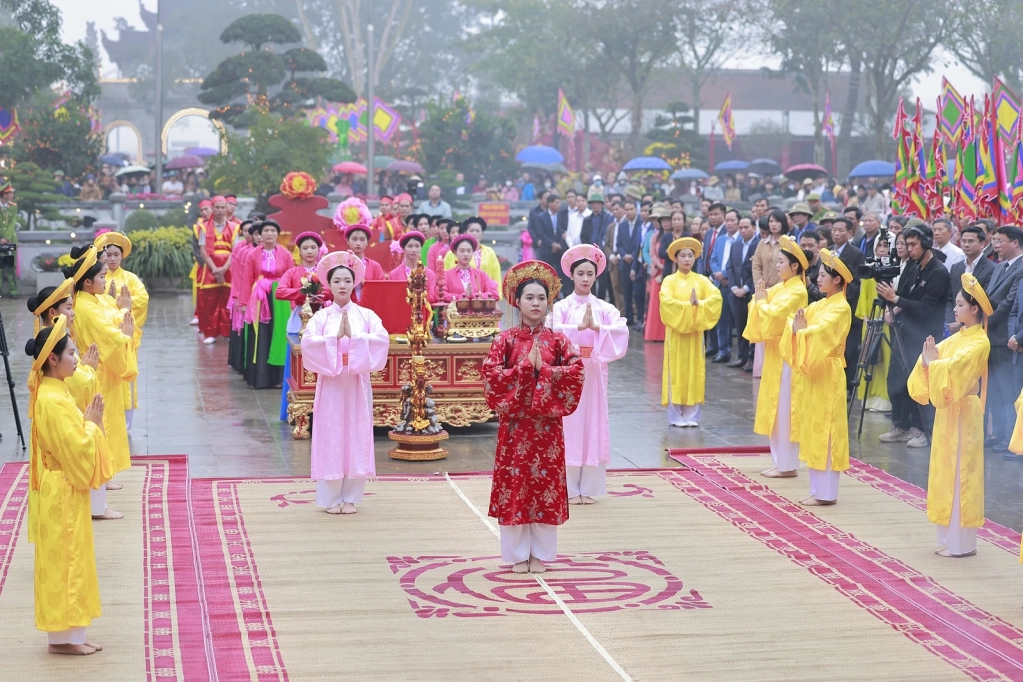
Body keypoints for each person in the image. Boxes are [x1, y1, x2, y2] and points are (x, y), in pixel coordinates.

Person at [483, 261, 584, 573]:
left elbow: (576, 373)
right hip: (515, 427)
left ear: (549, 301)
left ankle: (540, 554)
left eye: (541, 297)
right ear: (517, 301)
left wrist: (547, 371)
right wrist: (526, 369)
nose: (536, 303)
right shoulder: (504, 340)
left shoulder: (559, 341)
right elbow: (491, 376)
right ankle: (516, 555)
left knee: (544, 487)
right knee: (516, 485)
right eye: (530, 297)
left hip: (547, 430)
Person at [25, 317, 113, 655]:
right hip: (61, 488)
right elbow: (76, 448)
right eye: (71, 353)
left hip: (62, 487)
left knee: (70, 559)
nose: (77, 359)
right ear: (52, 359)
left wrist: (88, 423)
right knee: (67, 562)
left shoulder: (55, 392)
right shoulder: (53, 399)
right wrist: (91, 425)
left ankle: (71, 635)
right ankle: (63, 639)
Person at [908, 274, 991, 557]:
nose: (954, 309)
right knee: (946, 470)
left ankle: (962, 543)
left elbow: (953, 368)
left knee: (961, 473)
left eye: (959, 304)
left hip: (964, 412)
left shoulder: (979, 342)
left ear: (974, 308)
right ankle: (949, 538)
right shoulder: (959, 337)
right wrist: (929, 362)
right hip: (948, 413)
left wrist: (934, 364)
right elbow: (931, 359)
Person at [301, 252, 388, 515]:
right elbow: (307, 344)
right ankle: (330, 498)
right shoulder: (321, 317)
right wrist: (333, 339)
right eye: (337, 280)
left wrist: (356, 337)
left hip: (356, 381)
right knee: (331, 434)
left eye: (346, 280)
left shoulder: (367, 315)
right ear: (329, 284)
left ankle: (351, 497)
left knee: (356, 433)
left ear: (354, 284)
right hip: (332, 382)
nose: (342, 285)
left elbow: (382, 340)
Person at [552, 245, 629, 504]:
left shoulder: (604, 308)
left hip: (594, 372)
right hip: (569, 372)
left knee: (593, 424)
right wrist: (577, 327)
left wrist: (598, 328)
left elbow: (620, 330)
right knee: (570, 424)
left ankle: (589, 487)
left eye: (589, 274)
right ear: (571, 276)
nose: (585, 279)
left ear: (596, 277)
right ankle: (569, 487)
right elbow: (551, 331)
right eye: (580, 273)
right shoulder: (562, 306)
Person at [64, 246, 136, 512]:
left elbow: (110, 317)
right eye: (102, 277)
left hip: (103, 368)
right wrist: (125, 324)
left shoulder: (92, 300)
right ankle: (101, 478)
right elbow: (110, 335)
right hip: (99, 368)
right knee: (100, 423)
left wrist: (121, 311)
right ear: (87, 282)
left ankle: (107, 473)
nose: (106, 281)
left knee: (108, 422)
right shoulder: (86, 306)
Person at [780, 248, 852, 506]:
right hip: (815, 372)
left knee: (827, 430)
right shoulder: (821, 304)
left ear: (837, 280)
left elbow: (819, 331)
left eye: (823, 275)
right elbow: (793, 319)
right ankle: (817, 489)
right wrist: (798, 329)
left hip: (828, 371)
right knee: (814, 427)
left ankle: (826, 492)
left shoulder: (841, 308)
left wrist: (801, 331)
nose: (817, 278)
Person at [876, 224, 950, 449]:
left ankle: (922, 428)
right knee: (896, 380)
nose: (909, 249)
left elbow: (927, 308)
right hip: (904, 331)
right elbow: (904, 294)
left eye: (913, 244)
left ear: (926, 243)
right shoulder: (913, 266)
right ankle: (901, 425)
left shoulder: (938, 272)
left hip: (925, 336)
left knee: (921, 383)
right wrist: (894, 305)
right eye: (907, 245)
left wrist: (896, 301)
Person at [745, 236, 810, 477]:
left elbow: (773, 314)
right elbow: (760, 300)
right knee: (775, 406)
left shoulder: (797, 291)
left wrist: (761, 303)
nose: (776, 265)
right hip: (775, 353)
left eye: (781, 261)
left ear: (795, 266)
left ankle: (787, 463)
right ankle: (780, 460)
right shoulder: (782, 287)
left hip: (787, 356)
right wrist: (760, 302)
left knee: (785, 408)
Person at [659, 237, 723, 427]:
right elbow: (666, 302)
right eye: (683, 256)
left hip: (695, 336)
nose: (687, 259)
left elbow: (716, 298)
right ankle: (676, 415)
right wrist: (690, 307)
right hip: (676, 336)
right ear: (676, 259)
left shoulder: (701, 280)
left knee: (694, 372)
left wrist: (699, 304)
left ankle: (692, 415)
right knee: (675, 372)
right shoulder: (669, 281)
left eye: (690, 256)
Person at [96, 232, 148, 429]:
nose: (112, 259)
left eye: (116, 255)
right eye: (108, 255)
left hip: (124, 335)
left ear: (122, 256)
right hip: (104, 335)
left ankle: (125, 424)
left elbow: (143, 299)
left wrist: (121, 302)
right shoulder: (97, 276)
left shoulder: (130, 278)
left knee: (125, 379)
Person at [234, 220, 295, 390]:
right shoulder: (252, 254)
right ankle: (261, 377)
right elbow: (246, 278)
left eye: (272, 230)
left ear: (277, 234)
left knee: (279, 335)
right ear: (260, 235)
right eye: (266, 231)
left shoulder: (285, 254)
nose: (269, 234)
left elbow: (291, 277)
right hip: (259, 297)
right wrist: (243, 302)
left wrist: (292, 301)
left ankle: (278, 377)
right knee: (260, 335)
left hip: (279, 297)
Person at [196, 196, 239, 344]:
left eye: (223, 207)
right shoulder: (203, 227)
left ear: (227, 208)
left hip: (229, 268)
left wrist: (224, 268)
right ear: (212, 208)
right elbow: (203, 251)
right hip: (210, 268)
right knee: (210, 302)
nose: (220, 210)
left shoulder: (234, 227)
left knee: (228, 301)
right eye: (217, 207)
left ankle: (227, 332)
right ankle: (210, 333)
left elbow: (235, 250)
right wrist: (215, 269)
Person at [727, 216, 760, 371]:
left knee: (751, 326)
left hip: (750, 291)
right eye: (740, 227)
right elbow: (730, 267)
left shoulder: (758, 244)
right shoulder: (735, 245)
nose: (743, 230)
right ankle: (741, 356)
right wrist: (734, 287)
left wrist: (745, 288)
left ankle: (751, 358)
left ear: (754, 227)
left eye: (746, 227)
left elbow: (756, 270)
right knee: (740, 326)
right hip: (735, 292)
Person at [442, 217, 503, 297]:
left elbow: (496, 277)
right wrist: (463, 296)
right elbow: (444, 284)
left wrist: (494, 298)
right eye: (471, 231)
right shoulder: (450, 255)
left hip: (484, 295)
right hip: (456, 293)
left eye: (478, 231)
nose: (475, 233)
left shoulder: (489, 253)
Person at [947, 226, 994, 327]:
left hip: (977, 324)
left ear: (982, 244)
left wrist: (962, 323)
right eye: (963, 241)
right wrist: (952, 319)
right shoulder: (956, 267)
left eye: (971, 241)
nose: (966, 245)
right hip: (953, 323)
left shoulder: (992, 268)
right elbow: (949, 296)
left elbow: (986, 300)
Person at [334, 198, 388, 286]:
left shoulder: (375, 266)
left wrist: (366, 284)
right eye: (354, 239)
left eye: (362, 239)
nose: (358, 243)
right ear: (348, 241)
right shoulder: (340, 264)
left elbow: (382, 289)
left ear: (367, 242)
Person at [441, 234, 499, 302]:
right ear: (455, 252)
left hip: (478, 312)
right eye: (462, 251)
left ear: (473, 252)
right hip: (455, 312)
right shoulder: (447, 275)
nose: (466, 254)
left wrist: (474, 296)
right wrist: (463, 296)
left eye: (469, 251)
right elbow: (442, 295)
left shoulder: (481, 274)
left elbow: (494, 294)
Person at [389, 230, 440, 304]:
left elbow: (434, 297)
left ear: (421, 248)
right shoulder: (393, 274)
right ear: (403, 249)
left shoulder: (429, 274)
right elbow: (392, 298)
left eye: (417, 246)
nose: (413, 250)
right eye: (410, 246)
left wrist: (417, 297)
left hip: (424, 313)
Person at [0, 181, 18, 298]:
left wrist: (6, 237)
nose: (12, 195)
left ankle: (13, 291)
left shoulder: (13, 206)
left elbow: (12, 223)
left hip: (10, 239)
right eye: (10, 193)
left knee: (12, 265)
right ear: (4, 194)